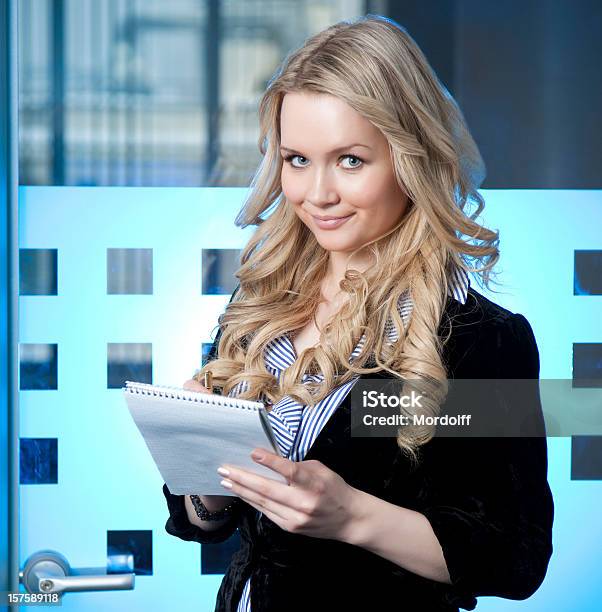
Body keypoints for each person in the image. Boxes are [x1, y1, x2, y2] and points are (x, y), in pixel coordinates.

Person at [161, 14, 554, 612]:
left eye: (349, 160)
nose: (316, 194)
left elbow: (513, 557)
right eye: (297, 159)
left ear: (410, 157)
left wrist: (352, 516)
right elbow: (210, 524)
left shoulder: (477, 340)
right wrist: (202, 471)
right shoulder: (259, 308)